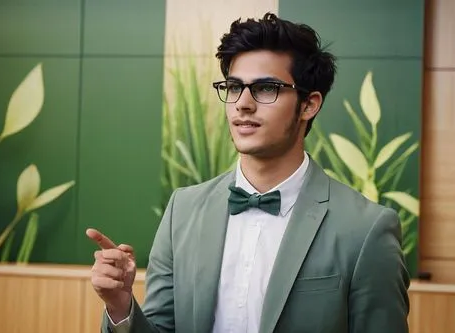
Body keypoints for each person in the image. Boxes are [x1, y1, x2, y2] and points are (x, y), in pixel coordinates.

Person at [87, 12, 410, 333]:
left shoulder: (366, 229)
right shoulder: (183, 211)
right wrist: (121, 306)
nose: (242, 103)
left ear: (309, 104)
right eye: (234, 87)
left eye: (266, 88)